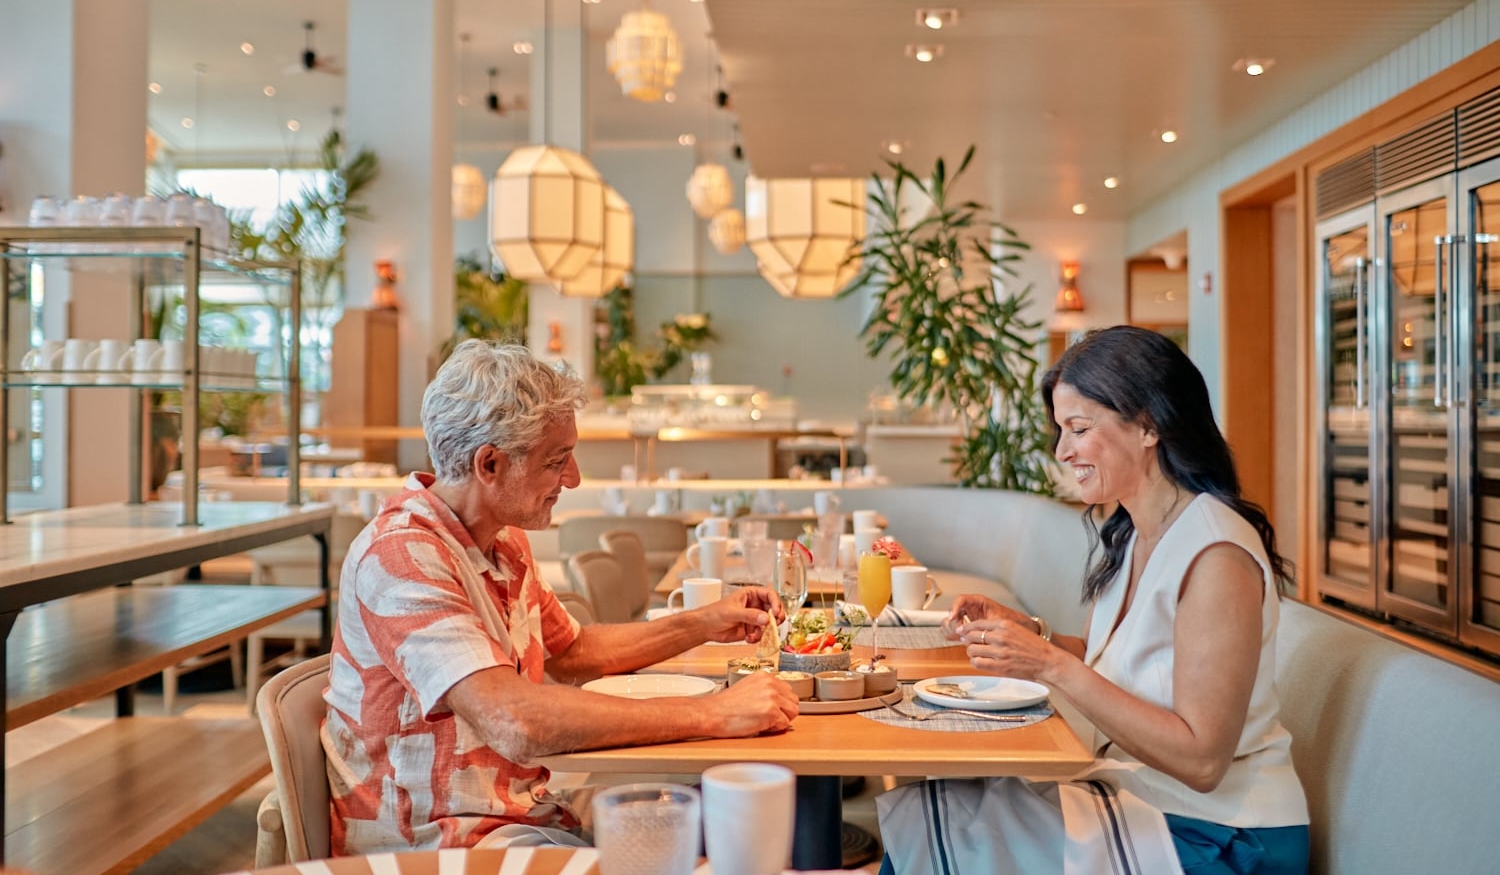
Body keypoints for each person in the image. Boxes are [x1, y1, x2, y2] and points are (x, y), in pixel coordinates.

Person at [323, 340, 799, 856]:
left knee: (732, 822)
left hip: (520, 811)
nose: (571, 479)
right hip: (440, 845)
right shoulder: (401, 556)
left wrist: (703, 622)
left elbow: (574, 652)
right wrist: (714, 714)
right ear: (490, 464)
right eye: (557, 461)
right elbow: (514, 722)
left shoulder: (501, 541)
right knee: (722, 839)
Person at [877, 326, 1309, 874]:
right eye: (1061, 431)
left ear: (1149, 424)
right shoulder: (1136, 531)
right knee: (933, 806)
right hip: (1147, 797)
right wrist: (1036, 636)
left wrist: (1051, 665)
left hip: (1221, 833)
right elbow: (1126, 664)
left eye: (1079, 429)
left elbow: (1202, 761)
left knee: (939, 835)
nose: (1063, 451)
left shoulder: (1215, 556)